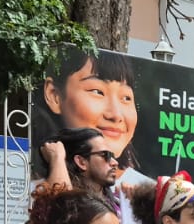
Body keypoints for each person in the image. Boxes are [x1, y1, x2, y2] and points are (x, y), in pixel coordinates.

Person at [36, 45, 142, 181]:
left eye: (126, 98)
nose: (116, 115)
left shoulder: (149, 193)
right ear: (54, 95)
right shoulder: (32, 189)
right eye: (97, 91)